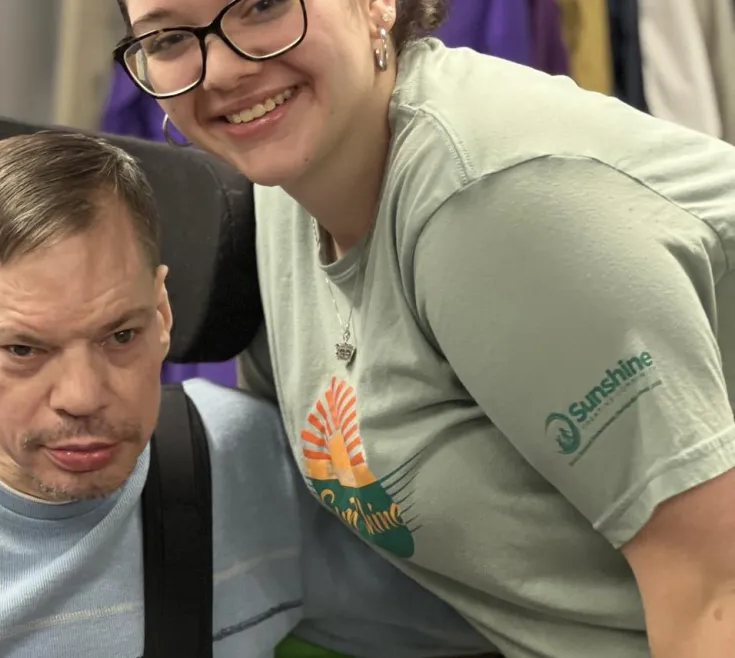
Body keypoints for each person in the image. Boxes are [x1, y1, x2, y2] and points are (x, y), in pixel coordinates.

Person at [106, 0, 735, 656]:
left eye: (263, 6)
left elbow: (713, 589)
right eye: (172, 37)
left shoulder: (491, 201)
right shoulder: (285, 191)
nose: (224, 70)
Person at [0, 131, 497, 658]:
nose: (80, 397)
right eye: (22, 349)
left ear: (163, 312)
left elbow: (491, 623)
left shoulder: (241, 463)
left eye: (120, 337)